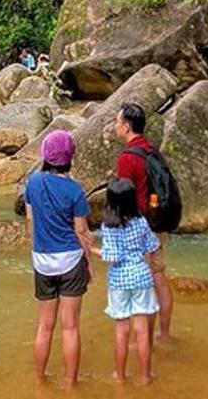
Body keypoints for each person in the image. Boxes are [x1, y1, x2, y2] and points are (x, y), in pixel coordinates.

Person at [23, 130, 94, 389]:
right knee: (70, 327)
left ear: (45, 156)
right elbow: (82, 233)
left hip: (42, 261)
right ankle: (70, 385)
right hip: (71, 261)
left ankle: (40, 382)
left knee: (44, 326)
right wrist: (89, 264)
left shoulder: (32, 182)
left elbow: (30, 222)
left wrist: (38, 249)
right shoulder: (75, 191)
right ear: (69, 158)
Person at [114, 102, 174, 341]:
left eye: (117, 122)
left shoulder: (127, 158)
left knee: (144, 287)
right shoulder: (151, 150)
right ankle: (165, 335)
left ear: (126, 126)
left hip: (138, 228)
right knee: (159, 278)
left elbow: (124, 198)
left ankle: (145, 342)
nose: (115, 126)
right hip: (157, 221)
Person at [93, 178, 160, 385]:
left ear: (110, 202)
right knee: (141, 330)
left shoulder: (109, 226)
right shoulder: (141, 222)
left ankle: (120, 375)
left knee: (122, 331)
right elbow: (153, 246)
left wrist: (90, 248)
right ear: (133, 200)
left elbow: (111, 257)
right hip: (142, 277)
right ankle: (146, 375)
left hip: (119, 281)